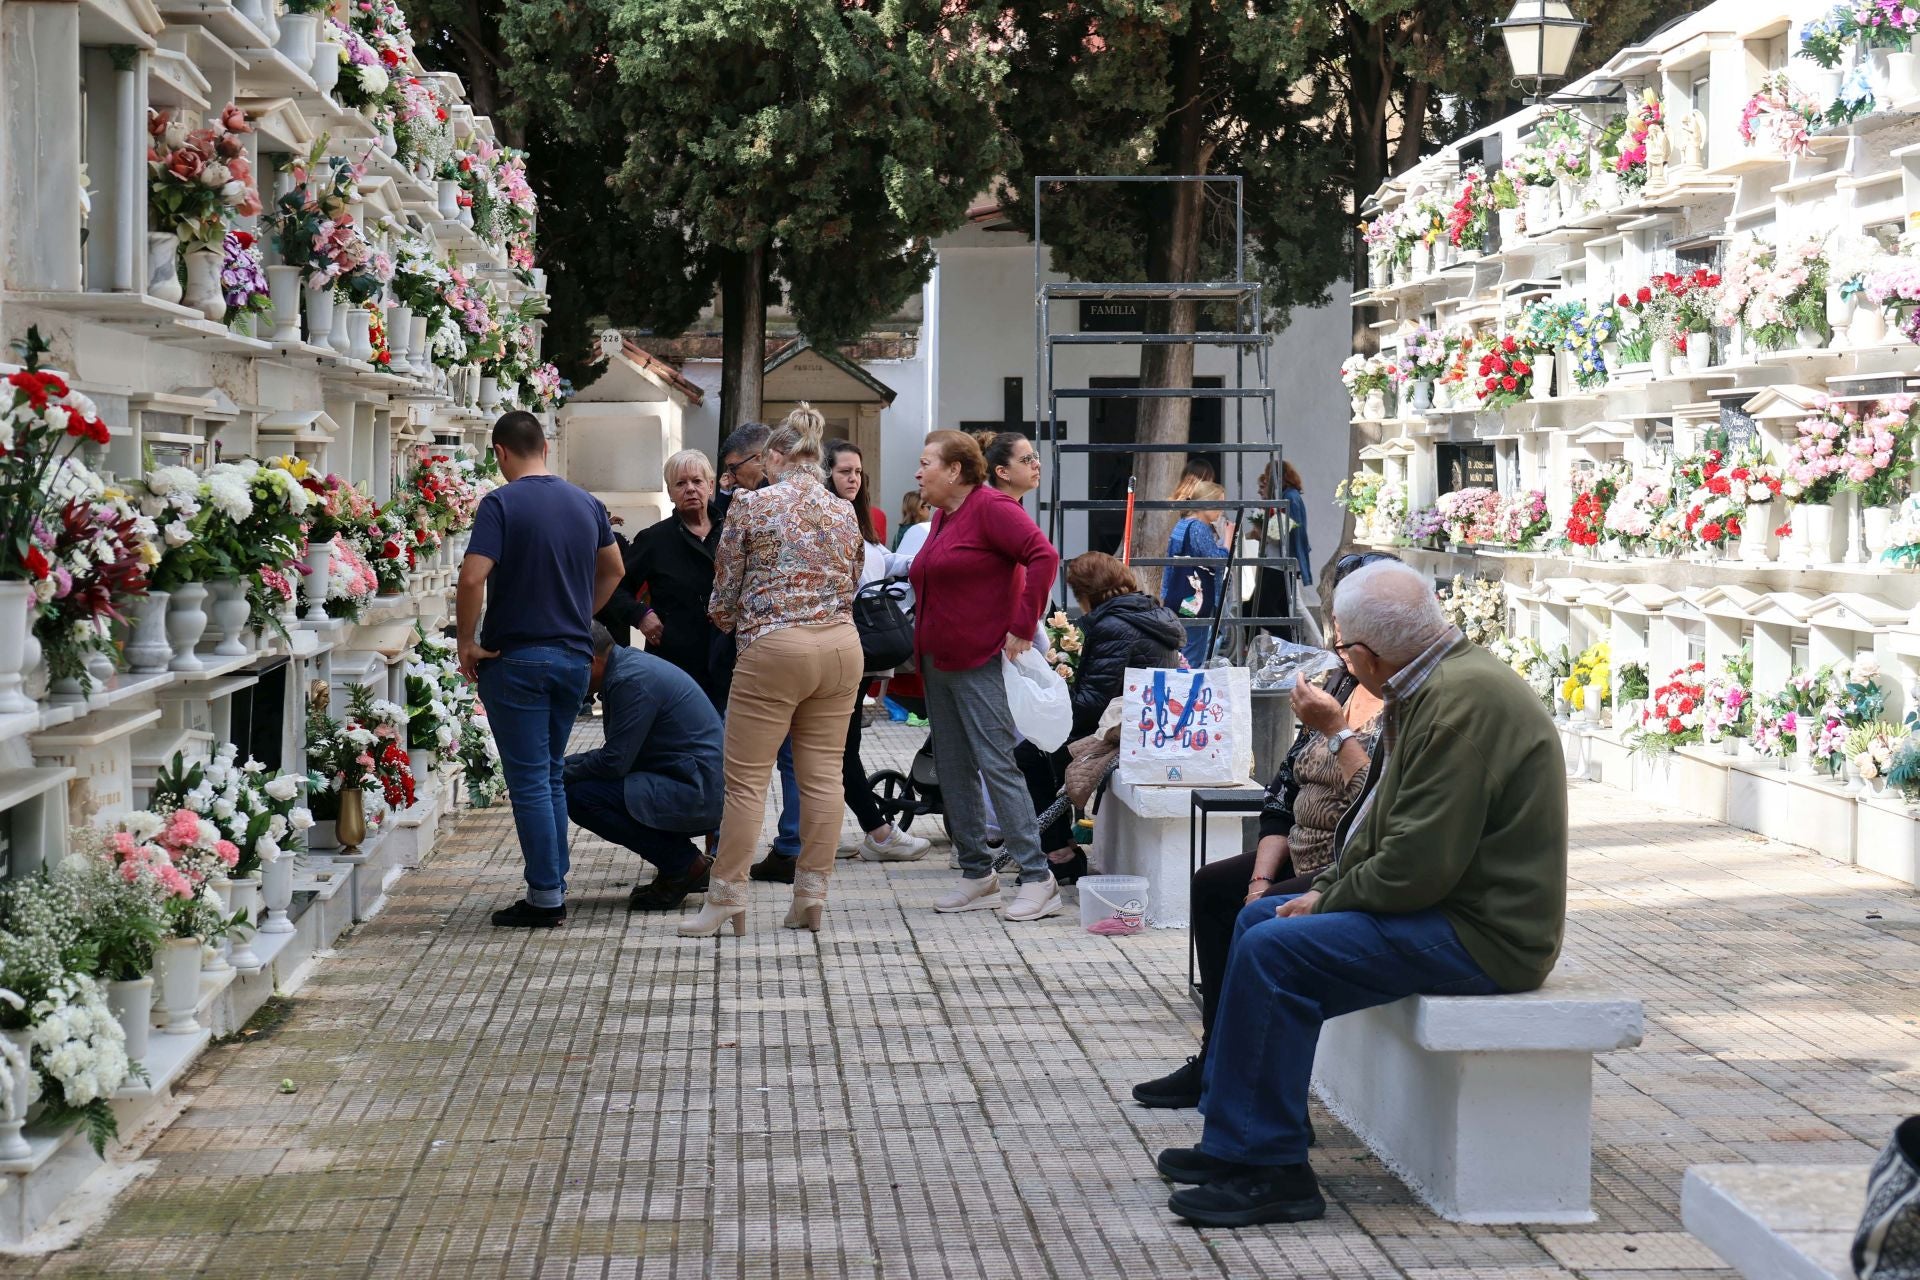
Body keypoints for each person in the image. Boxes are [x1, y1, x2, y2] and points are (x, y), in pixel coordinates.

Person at [1152, 560, 1568, 1229]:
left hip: (1487, 934)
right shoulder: (1436, 683)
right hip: (1450, 905)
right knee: (1256, 921)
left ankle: (1273, 1171)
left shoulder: (1461, 705)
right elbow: (1385, 827)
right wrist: (1332, 887)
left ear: (1365, 654)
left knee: (1276, 950)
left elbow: (1416, 864)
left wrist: (1332, 898)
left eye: (1343, 646)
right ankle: (1237, 1143)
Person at [1132, 552, 1396, 1110]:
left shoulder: (1403, 701)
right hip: (1301, 851)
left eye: (1347, 619)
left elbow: (1377, 804)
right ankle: (1215, 1056)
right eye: (1335, 616)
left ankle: (1251, 1086)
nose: (1337, 632)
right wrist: (1259, 877)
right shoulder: (1340, 682)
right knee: (1214, 887)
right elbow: (1282, 797)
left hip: (1347, 863)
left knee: (1261, 921)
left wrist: (1337, 732)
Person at [680, 412, 864, 937]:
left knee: (746, 782)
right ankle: (811, 897)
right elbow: (851, 583)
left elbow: (724, 596)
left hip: (774, 647)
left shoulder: (752, 504)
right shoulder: (842, 510)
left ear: (773, 458)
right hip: (840, 647)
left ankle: (727, 900)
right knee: (824, 777)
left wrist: (743, 620)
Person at [457, 410, 626, 928]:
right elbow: (615, 570)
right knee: (550, 776)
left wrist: (467, 640)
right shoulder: (586, 503)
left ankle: (546, 896)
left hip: (518, 660)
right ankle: (553, 883)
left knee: (530, 781)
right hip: (574, 658)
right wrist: (579, 614)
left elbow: (471, 578)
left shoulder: (500, 503)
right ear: (546, 448)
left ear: (501, 453)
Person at [911, 429, 1063, 922]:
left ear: (954, 469)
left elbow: (1044, 557)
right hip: (939, 661)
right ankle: (978, 872)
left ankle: (1038, 877)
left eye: (926, 463)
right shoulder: (942, 517)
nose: (919, 472)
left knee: (997, 764)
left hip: (979, 659)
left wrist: (1022, 626)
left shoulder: (991, 507)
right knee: (953, 767)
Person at [562, 623, 724, 911]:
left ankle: (684, 864)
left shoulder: (631, 680)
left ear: (591, 661)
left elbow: (614, 763)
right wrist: (560, 767)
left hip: (697, 790)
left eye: (568, 668)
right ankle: (683, 865)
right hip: (688, 780)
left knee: (582, 797)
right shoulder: (625, 669)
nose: (565, 679)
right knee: (582, 783)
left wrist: (554, 772)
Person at [824, 437, 930, 863]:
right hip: (837, 647)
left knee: (839, 747)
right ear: (825, 474)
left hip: (857, 651)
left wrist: (931, 557)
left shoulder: (858, 523)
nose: (853, 478)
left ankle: (856, 833)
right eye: (844, 471)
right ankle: (878, 833)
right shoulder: (828, 523)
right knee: (836, 749)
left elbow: (886, 562)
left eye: (857, 471)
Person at [709, 422, 805, 883]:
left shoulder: (750, 507)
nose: (729, 481)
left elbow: (724, 595)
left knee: (744, 767)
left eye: (732, 470)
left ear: (761, 458)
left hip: (762, 648)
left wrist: (729, 619)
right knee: (810, 764)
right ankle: (802, 865)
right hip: (823, 649)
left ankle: (729, 880)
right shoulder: (830, 506)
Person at [1052, 551, 1183, 883]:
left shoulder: (1113, 625)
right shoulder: (1149, 612)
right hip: (1141, 723)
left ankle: (1059, 853)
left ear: (1088, 593)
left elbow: (1091, 703)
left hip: (1120, 730)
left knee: (1033, 754)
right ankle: (1060, 847)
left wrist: (1051, 697)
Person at [620, 450, 722, 703]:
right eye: (680, 483)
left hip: (728, 661)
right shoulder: (653, 540)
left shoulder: (733, 531)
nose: (690, 489)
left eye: (697, 481)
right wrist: (640, 614)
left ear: (710, 486)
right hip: (675, 663)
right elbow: (615, 589)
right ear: (670, 492)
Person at [1160, 481, 1233, 667]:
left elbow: (1169, 564)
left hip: (1177, 597)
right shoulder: (1199, 527)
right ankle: (1188, 692)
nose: (1221, 510)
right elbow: (1216, 560)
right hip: (1195, 600)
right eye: (1220, 503)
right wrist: (1228, 541)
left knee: (1181, 651)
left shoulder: (1181, 525)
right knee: (1194, 652)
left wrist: (1165, 593)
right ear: (1207, 502)